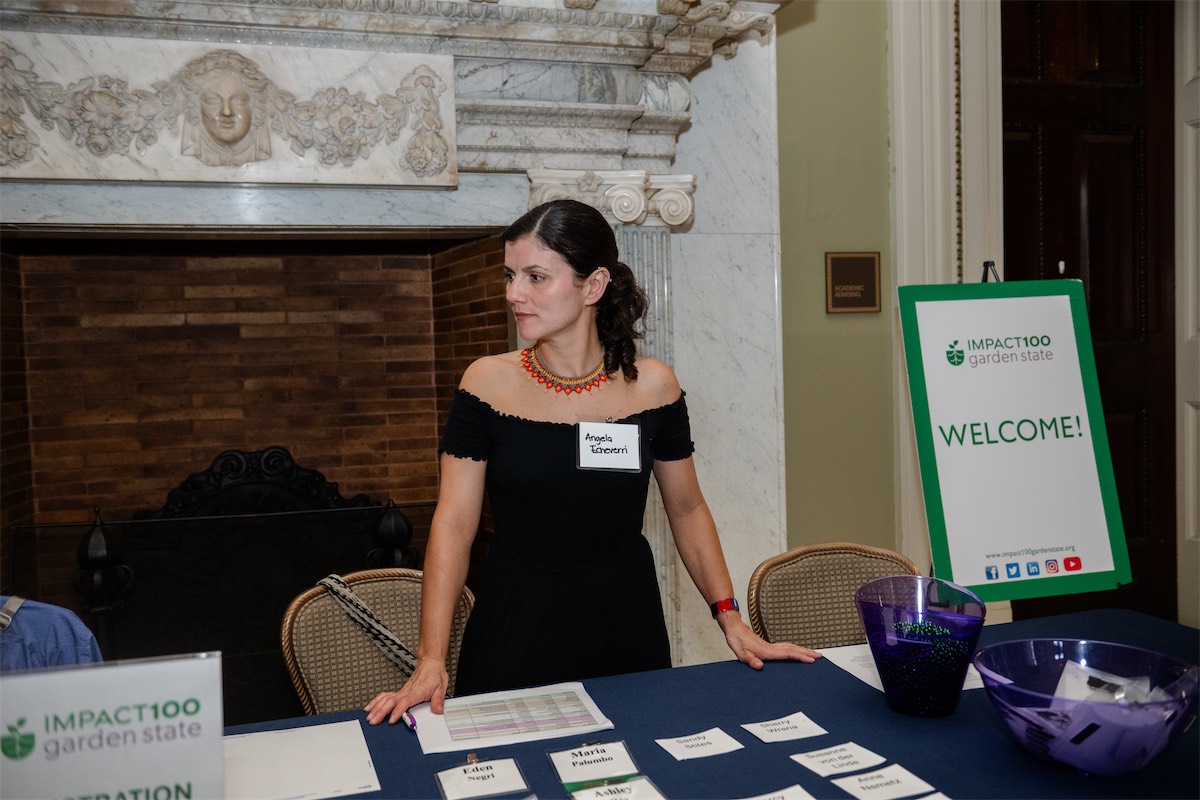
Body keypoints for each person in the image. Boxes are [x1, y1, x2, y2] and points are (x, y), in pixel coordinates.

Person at [365, 198, 819, 726]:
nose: (513, 293)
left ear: (594, 285)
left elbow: (688, 509)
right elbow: (454, 522)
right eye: (510, 275)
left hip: (624, 623)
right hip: (517, 620)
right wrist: (430, 658)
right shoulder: (485, 383)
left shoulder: (654, 387)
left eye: (536, 277)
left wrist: (730, 619)